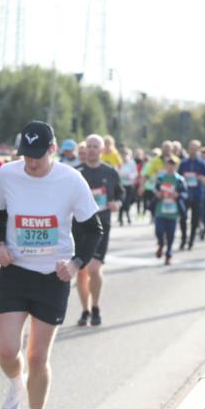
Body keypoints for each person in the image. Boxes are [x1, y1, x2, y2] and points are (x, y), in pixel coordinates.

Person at [0, 121, 103, 409]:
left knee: (38, 356)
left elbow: (92, 229)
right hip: (16, 272)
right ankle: (15, 384)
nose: (31, 162)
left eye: (38, 155)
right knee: (7, 351)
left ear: (52, 150)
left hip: (54, 277)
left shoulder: (71, 180)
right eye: (26, 155)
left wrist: (75, 264)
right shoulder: (8, 174)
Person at [74, 134, 124, 327]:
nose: (92, 149)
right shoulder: (77, 172)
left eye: (96, 146)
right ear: (85, 149)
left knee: (94, 268)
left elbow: (121, 193)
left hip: (101, 226)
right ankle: (85, 310)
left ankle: (95, 306)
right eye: (89, 146)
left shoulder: (110, 172)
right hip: (79, 227)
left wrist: (117, 203)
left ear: (102, 150)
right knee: (81, 270)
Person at [178, 140, 205, 250]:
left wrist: (201, 178)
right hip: (185, 195)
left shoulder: (202, 164)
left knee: (194, 220)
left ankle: (191, 241)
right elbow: (178, 177)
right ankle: (184, 238)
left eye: (195, 149)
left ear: (198, 150)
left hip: (197, 195)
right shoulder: (184, 163)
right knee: (183, 218)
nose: (193, 151)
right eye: (191, 148)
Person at [154, 154, 187, 265]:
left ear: (176, 166)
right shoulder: (161, 178)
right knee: (159, 231)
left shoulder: (179, 180)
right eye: (169, 164)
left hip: (173, 211)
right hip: (160, 210)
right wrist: (158, 194)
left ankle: (168, 254)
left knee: (171, 234)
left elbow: (185, 193)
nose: (170, 167)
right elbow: (155, 189)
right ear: (166, 165)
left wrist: (177, 194)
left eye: (173, 165)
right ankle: (161, 244)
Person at [117, 147, 137, 226]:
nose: (124, 156)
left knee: (128, 202)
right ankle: (121, 218)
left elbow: (135, 172)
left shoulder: (132, 163)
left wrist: (131, 176)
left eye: (126, 154)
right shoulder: (119, 162)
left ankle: (128, 215)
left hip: (129, 185)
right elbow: (116, 171)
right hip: (121, 185)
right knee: (122, 201)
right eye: (123, 154)